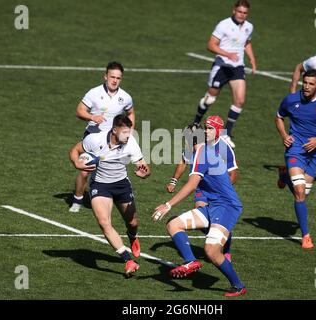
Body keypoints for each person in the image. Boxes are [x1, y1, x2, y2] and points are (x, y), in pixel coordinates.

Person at [153, 116, 247, 297]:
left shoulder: (204, 152)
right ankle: (190, 261)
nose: (206, 131)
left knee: (211, 251)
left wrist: (168, 204)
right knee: (173, 224)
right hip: (212, 204)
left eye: (210, 129)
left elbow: (192, 185)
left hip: (226, 206)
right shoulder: (201, 150)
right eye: (206, 128)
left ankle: (238, 285)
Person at [70, 115, 150, 277]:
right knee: (103, 222)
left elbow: (145, 168)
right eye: (125, 132)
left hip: (121, 184)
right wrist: (77, 163)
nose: (128, 135)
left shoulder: (131, 143)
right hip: (100, 185)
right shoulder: (95, 139)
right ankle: (128, 260)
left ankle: (132, 236)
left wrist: (144, 173)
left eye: (130, 132)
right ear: (114, 130)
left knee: (132, 222)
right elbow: (75, 150)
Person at [275, 69, 316, 249]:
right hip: (295, 149)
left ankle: (283, 176)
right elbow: (279, 117)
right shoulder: (291, 99)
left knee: (304, 192)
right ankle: (306, 236)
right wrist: (283, 135)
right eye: (305, 82)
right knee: (300, 192)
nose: (306, 86)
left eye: (311, 84)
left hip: (315, 152)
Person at [165, 122, 239, 261]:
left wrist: (223, 188)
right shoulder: (193, 146)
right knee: (203, 217)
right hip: (201, 189)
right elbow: (183, 161)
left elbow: (234, 172)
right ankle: (221, 238)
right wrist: (174, 180)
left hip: (218, 191)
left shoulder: (222, 146)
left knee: (212, 220)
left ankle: (225, 248)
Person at [70, 61, 136, 213]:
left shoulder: (125, 97)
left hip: (113, 139)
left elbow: (131, 112)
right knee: (85, 170)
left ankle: (111, 196)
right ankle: (77, 199)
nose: (115, 80)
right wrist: (92, 117)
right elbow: (79, 111)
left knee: (115, 170)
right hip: (93, 137)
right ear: (105, 76)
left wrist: (129, 131)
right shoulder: (94, 93)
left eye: (118, 78)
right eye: (112, 77)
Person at [193, 0, 257, 149]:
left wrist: (252, 59)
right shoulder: (223, 25)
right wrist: (227, 54)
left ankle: (226, 133)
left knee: (240, 100)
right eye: (240, 11)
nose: (242, 15)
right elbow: (210, 45)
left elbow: (247, 43)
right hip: (221, 67)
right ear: (234, 10)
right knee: (210, 99)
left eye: (245, 13)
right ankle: (196, 122)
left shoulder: (249, 27)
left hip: (237, 68)